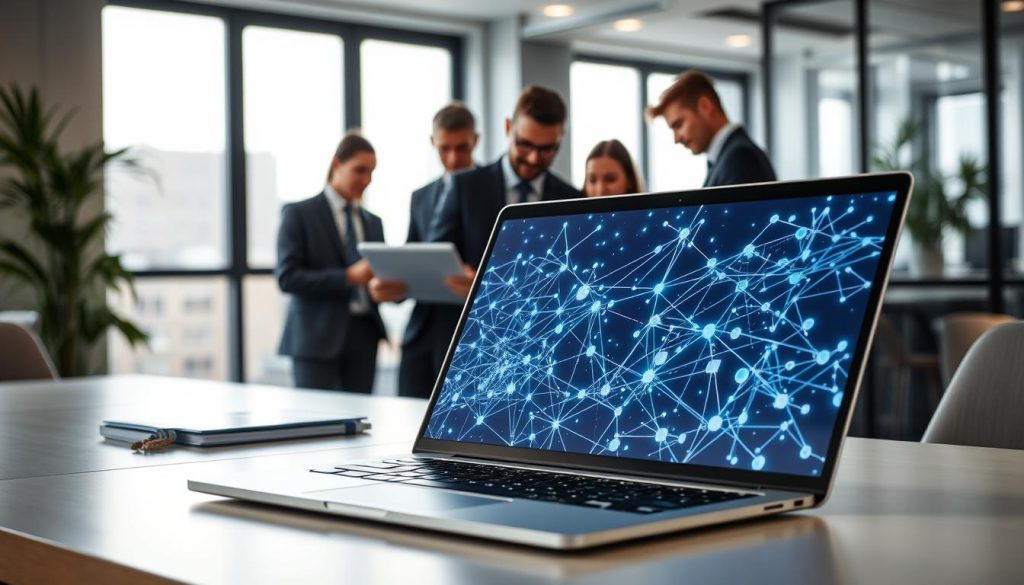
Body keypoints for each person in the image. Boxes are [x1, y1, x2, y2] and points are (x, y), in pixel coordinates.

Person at [431, 85, 583, 299]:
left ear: (561, 138)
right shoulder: (464, 187)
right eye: (524, 144)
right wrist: (459, 275)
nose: (533, 158)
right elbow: (435, 258)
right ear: (507, 127)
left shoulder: (573, 200)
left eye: (546, 149)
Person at [369, 103, 479, 398]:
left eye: (462, 148)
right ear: (433, 143)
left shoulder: (489, 189)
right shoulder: (421, 197)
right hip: (421, 330)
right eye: (445, 148)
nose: (453, 158)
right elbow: (415, 257)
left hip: (468, 332)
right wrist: (393, 287)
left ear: (476, 141)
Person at [276, 132, 387, 393]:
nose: (366, 180)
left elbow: (381, 277)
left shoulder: (373, 222)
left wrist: (388, 288)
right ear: (337, 165)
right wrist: (347, 277)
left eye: (371, 172)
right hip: (315, 337)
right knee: (315, 422)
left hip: (364, 337)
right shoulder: (298, 214)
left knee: (361, 423)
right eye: (359, 170)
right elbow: (287, 277)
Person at [646, 70, 776, 187]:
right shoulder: (729, 156)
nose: (676, 139)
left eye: (679, 125)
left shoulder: (739, 157)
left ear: (705, 106)